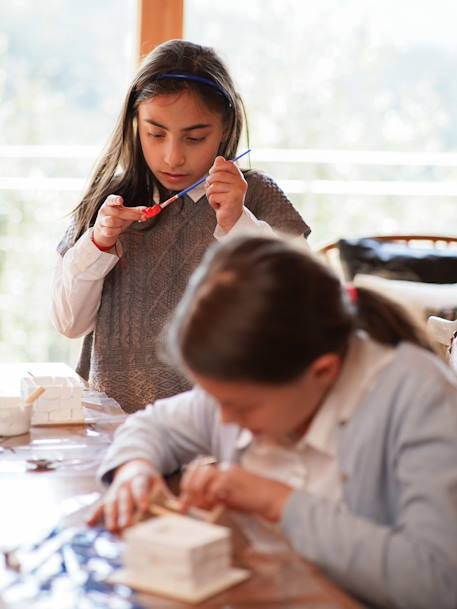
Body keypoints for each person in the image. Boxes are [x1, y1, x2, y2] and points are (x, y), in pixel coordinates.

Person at [92, 236, 457, 609]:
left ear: (323, 373)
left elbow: (436, 581)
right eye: (215, 400)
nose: (224, 419)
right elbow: (154, 426)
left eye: (243, 408)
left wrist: (276, 501)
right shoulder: (249, 381)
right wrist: (134, 471)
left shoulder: (419, 402)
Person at [52, 40, 309, 412]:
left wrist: (238, 222)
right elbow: (69, 323)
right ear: (134, 123)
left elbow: (303, 315)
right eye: (156, 134)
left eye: (195, 137)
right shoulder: (110, 201)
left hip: (223, 435)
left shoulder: (257, 197)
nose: (172, 156)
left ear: (226, 127)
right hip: (116, 430)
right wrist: (99, 243)